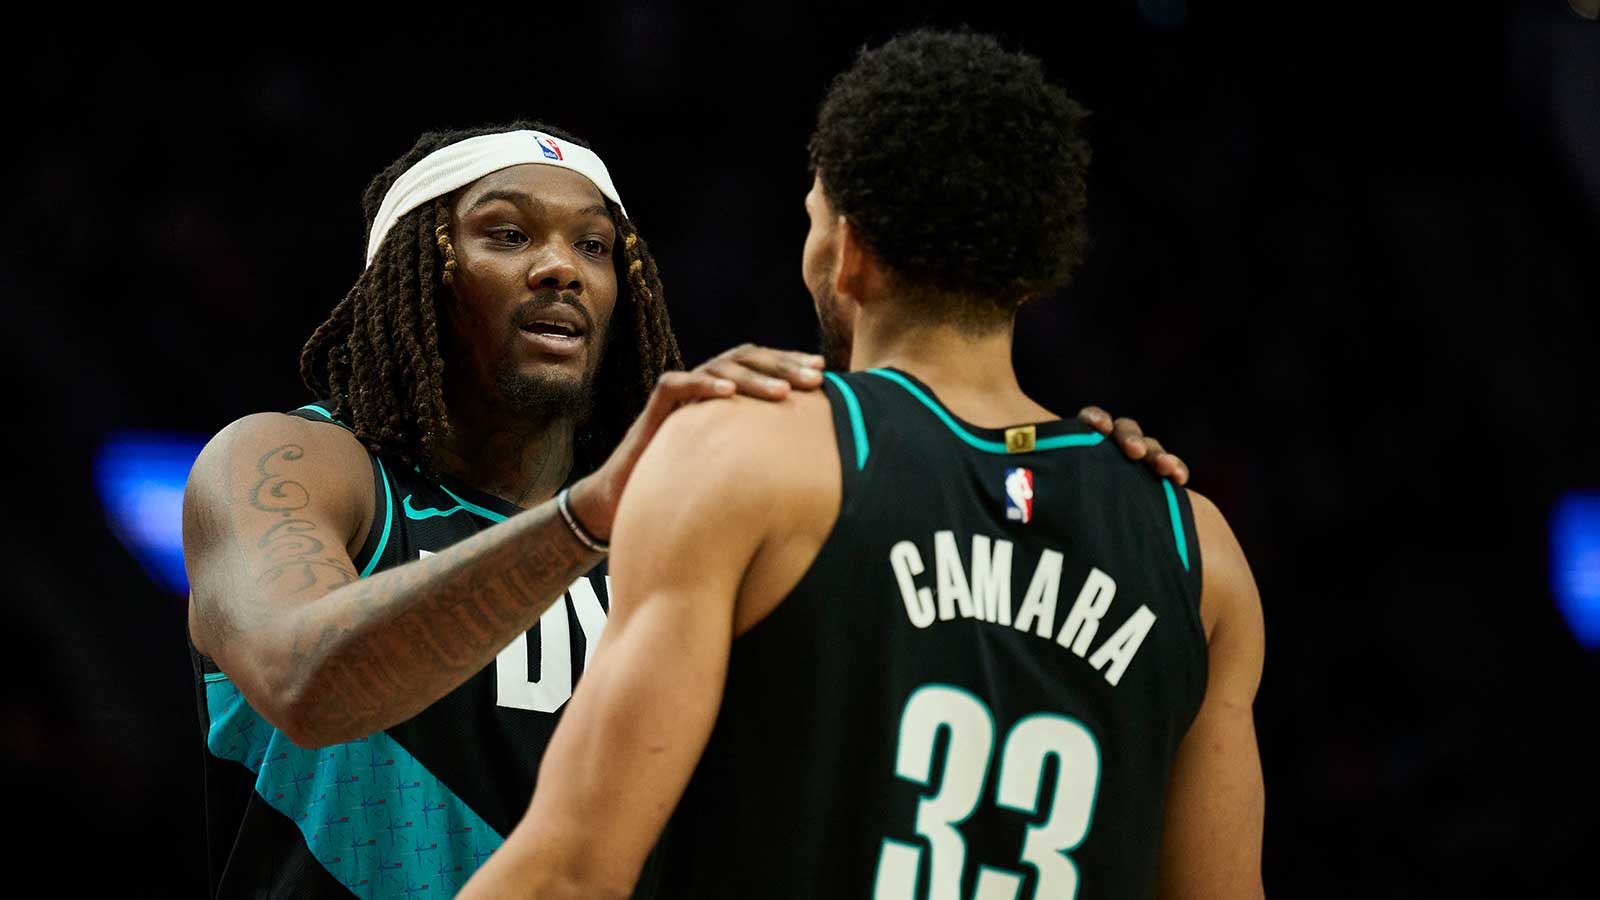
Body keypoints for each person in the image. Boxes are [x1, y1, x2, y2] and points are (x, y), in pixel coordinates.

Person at [183, 119, 1187, 897]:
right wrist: (585, 517)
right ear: (406, 274)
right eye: (505, 233)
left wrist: (1058, 473)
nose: (559, 267)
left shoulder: (679, 525)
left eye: (595, 245)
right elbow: (303, 677)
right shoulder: (298, 462)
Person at [461, 31, 1264, 900]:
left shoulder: (749, 455)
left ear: (848, 248)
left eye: (811, 221)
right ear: (1030, 276)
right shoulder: (1200, 551)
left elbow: (571, 876)